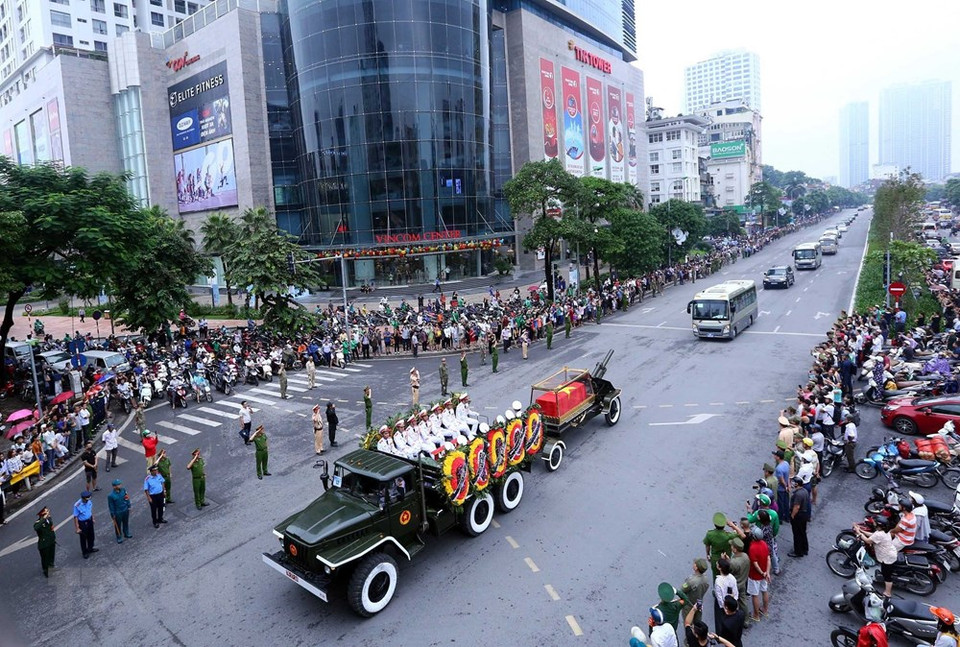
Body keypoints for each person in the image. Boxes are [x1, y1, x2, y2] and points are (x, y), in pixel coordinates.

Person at [854, 516, 897, 598]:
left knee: (887, 575)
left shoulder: (879, 534)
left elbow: (868, 540)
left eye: (875, 523)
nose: (874, 523)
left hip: (887, 557)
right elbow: (873, 535)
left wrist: (859, 533)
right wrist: (861, 531)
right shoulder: (884, 531)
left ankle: (888, 593)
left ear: (879, 525)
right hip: (890, 552)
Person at [746, 526, 770, 621]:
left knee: (755, 595)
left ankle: (756, 615)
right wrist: (767, 572)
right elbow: (768, 558)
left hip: (755, 575)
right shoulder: (764, 544)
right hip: (764, 573)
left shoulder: (752, 547)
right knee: (764, 591)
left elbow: (755, 564)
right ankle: (765, 610)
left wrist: (762, 573)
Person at [678, 558, 711, 625]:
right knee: (697, 621)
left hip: (689, 605)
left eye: (694, 564)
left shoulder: (691, 581)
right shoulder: (706, 579)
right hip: (699, 603)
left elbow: (682, 591)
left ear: (696, 568)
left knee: (688, 623)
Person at [703, 512, 735, 577]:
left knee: (716, 577)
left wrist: (708, 554)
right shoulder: (729, 535)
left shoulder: (710, 534)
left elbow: (707, 546)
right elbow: (741, 535)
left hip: (715, 559)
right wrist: (733, 526)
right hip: (726, 560)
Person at [713, 559, 737, 634]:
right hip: (731, 601)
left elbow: (719, 597)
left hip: (722, 603)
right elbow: (735, 592)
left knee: (719, 619)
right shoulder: (732, 578)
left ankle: (720, 635)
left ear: (720, 568)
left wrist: (723, 607)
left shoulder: (718, 581)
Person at [788, 475, 810, 557]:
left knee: (797, 534)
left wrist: (792, 515)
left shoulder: (798, 494)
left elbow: (796, 506)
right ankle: (804, 548)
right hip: (804, 514)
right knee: (802, 532)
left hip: (798, 516)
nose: (792, 484)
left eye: (793, 483)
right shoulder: (804, 491)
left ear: (797, 484)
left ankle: (798, 551)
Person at [73, 490, 98, 558]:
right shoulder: (77, 505)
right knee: (83, 538)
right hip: (83, 523)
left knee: (91, 535)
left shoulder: (89, 502)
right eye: (87, 498)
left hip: (89, 520)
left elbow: (90, 510)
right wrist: (77, 528)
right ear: (83, 498)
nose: (88, 500)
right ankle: (85, 552)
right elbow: (75, 517)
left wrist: (92, 518)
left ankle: (90, 548)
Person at [107, 478, 133, 543]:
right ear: (114, 486)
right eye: (118, 485)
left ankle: (126, 533)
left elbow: (127, 498)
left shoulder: (123, 490)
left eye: (119, 484)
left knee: (125, 522)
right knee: (118, 525)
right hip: (117, 512)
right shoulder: (111, 496)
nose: (119, 486)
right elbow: (111, 506)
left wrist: (129, 506)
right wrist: (112, 514)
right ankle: (119, 536)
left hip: (125, 509)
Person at [34, 507, 56, 576]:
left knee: (51, 555)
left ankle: (51, 566)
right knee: (45, 558)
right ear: (43, 514)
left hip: (51, 541)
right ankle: (46, 570)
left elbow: (51, 529)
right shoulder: (38, 523)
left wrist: (53, 538)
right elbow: (36, 528)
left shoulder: (49, 519)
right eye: (47, 512)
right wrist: (43, 519)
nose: (49, 513)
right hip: (44, 543)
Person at [144, 464, 167, 528]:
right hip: (153, 496)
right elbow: (146, 490)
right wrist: (149, 498)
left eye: (156, 470)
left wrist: (164, 490)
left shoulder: (159, 475)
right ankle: (155, 522)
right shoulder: (147, 479)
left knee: (161, 507)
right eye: (154, 470)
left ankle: (160, 518)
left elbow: (162, 482)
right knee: (154, 509)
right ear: (151, 471)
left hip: (160, 494)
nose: (156, 471)